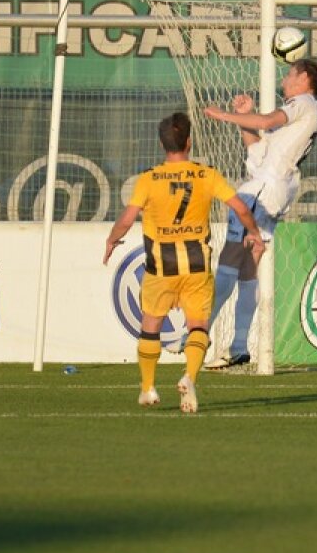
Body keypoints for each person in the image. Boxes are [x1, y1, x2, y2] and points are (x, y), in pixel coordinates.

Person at [103, 112, 265, 413]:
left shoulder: (149, 179)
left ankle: (148, 388)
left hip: (160, 265)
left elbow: (127, 219)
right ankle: (189, 377)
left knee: (150, 326)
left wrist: (112, 240)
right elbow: (241, 207)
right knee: (198, 327)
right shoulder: (206, 175)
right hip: (196, 264)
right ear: (189, 142)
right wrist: (254, 232)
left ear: (162, 144)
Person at [201, 58, 317, 369]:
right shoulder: (295, 125)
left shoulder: (304, 102)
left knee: (230, 261)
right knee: (248, 265)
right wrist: (244, 117)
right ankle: (240, 345)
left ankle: (198, 333)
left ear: (304, 79)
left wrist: (224, 115)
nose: (284, 81)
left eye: (288, 75)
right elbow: (257, 149)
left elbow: (268, 121)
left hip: (263, 188)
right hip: (273, 186)